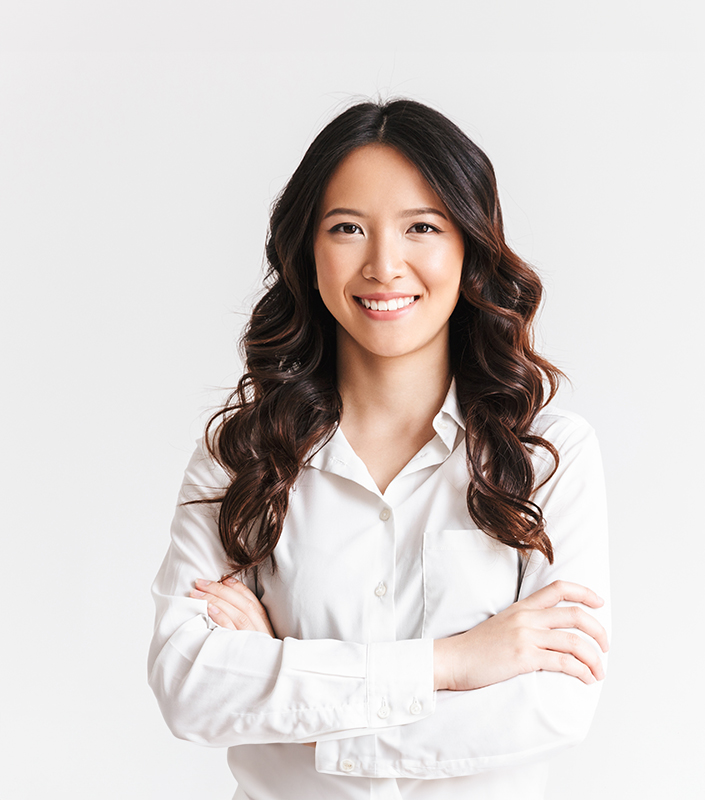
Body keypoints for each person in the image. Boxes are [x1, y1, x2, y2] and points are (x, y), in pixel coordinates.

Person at [148, 98, 610, 800]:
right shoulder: (240, 456)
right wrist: (454, 663)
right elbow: (189, 687)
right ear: (309, 250)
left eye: (421, 226)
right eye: (347, 228)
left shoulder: (548, 457)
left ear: (469, 247)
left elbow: (552, 706)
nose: (384, 265)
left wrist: (282, 675)